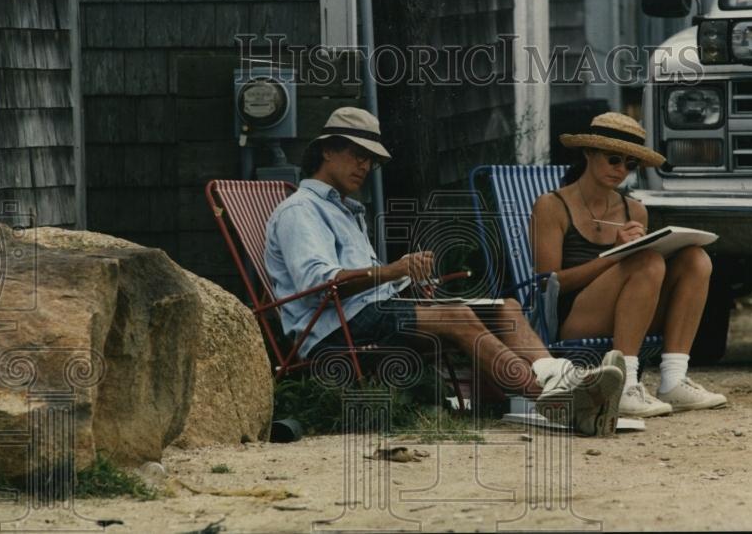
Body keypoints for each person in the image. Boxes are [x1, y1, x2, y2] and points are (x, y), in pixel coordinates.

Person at [264, 107, 624, 436]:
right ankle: (561, 405)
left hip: (368, 314)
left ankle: (559, 378)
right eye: (358, 154)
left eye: (371, 160)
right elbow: (318, 286)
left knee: (505, 308)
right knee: (458, 316)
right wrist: (393, 271)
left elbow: (369, 285)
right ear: (327, 150)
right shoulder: (301, 211)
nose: (364, 165)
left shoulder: (345, 210)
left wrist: (407, 279)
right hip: (333, 331)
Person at [530, 112, 728, 417]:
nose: (621, 170)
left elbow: (641, 280)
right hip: (574, 319)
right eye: (613, 159)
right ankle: (624, 383)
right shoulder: (552, 205)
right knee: (646, 261)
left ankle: (673, 379)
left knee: (695, 258)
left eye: (630, 164)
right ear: (588, 153)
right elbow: (548, 284)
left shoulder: (634, 210)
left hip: (628, 311)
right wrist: (614, 254)